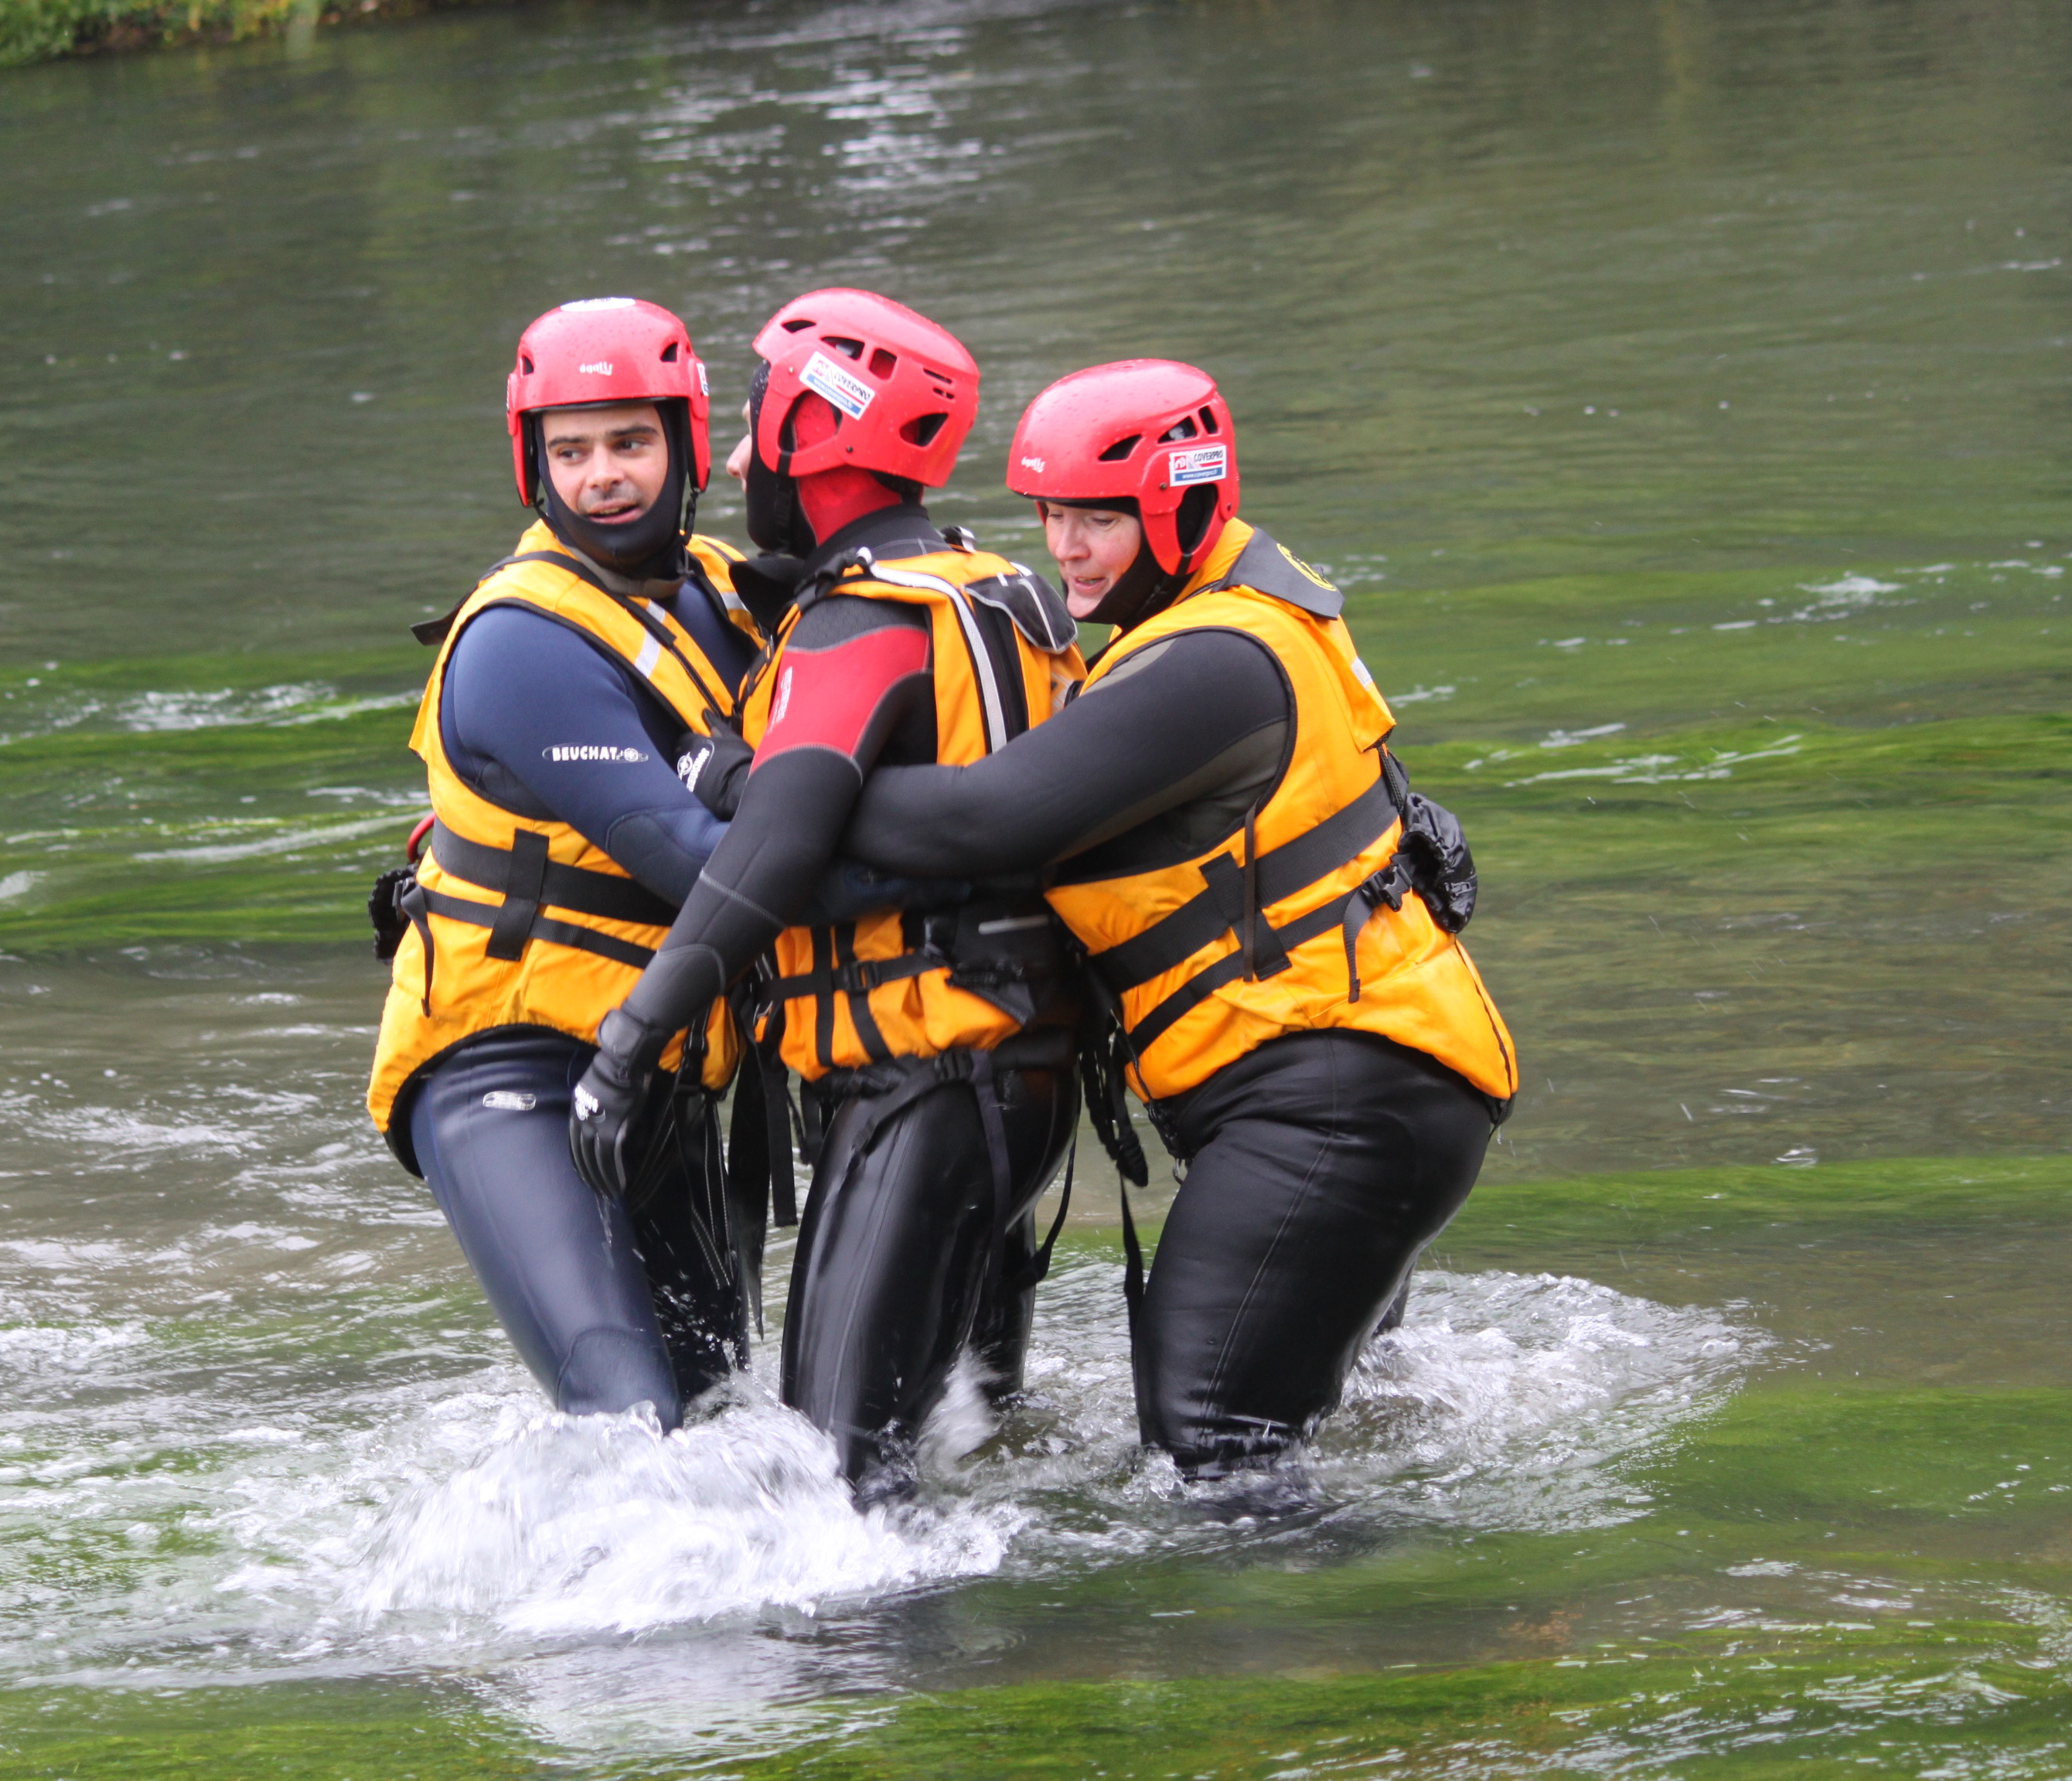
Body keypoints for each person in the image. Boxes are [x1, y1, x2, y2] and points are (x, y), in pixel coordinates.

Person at [825, 359, 1520, 1477]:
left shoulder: (1211, 661)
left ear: (1185, 503)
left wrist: (759, 788)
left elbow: (985, 822)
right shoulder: (1252, 608)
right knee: (1278, 1448)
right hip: (1373, 1097)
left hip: (1332, 1115)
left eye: (1099, 518)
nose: (1066, 549)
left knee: (1211, 1448)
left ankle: (1389, 1638)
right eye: (1050, 515)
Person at [570, 288, 1089, 1500]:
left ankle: (869, 1684)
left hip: (925, 1086)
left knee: (836, 1484)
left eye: (761, 429)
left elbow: (768, 856)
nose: (743, 457)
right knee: (963, 1446)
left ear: (817, 442)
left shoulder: (858, 626)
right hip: (1023, 1080)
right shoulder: (1006, 592)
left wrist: (628, 1044)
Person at [363, 296, 774, 1432]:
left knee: (725, 1422)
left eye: (631, 443)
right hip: (510, 1070)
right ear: (531, 464)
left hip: (659, 1068)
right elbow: (704, 869)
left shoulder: (724, 591)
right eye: (572, 451)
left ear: (688, 443)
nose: (603, 476)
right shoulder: (519, 646)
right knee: (627, 1414)